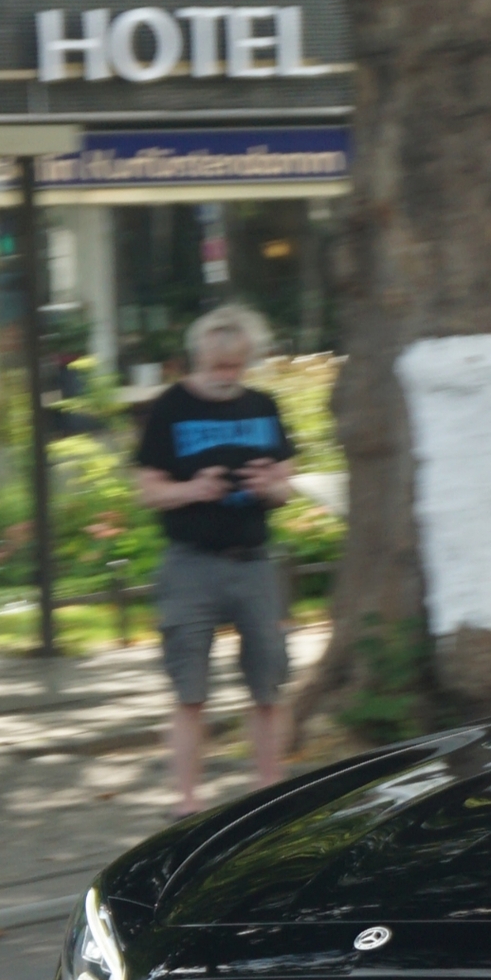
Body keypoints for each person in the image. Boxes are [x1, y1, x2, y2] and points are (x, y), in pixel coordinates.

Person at [133, 304, 296, 817]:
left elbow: (287, 482)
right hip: (190, 563)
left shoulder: (264, 405)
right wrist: (192, 489)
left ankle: (267, 787)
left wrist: (272, 486)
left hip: (253, 560)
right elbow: (148, 490)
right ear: (197, 358)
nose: (227, 377)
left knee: (268, 682)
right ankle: (186, 801)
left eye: (237, 367)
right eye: (217, 367)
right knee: (190, 688)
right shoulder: (169, 408)